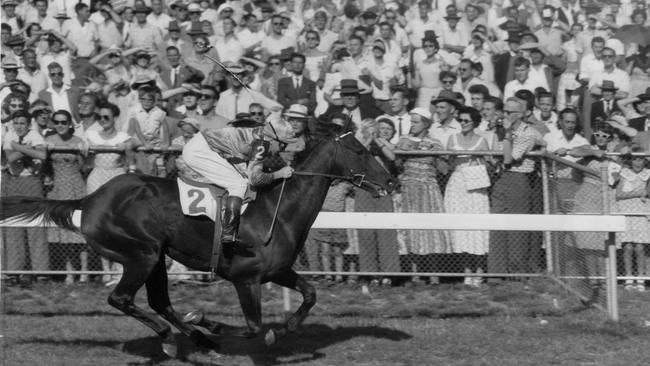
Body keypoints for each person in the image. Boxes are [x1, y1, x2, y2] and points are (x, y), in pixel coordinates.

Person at [181, 104, 295, 251]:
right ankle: (228, 233)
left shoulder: (260, 134)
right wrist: (279, 174)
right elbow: (256, 179)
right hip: (199, 151)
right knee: (239, 185)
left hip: (202, 146)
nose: (283, 150)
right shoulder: (262, 144)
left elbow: (240, 160)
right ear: (275, 140)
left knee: (242, 181)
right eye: (283, 145)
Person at [488, 97, 542, 278]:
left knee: (517, 227)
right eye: (504, 111)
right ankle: (496, 273)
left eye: (510, 113)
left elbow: (510, 158)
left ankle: (517, 273)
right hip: (501, 178)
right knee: (496, 224)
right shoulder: (501, 130)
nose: (506, 115)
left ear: (520, 115)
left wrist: (507, 134)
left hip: (519, 179)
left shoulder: (527, 133)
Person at [395, 107, 449, 284]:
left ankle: (434, 275)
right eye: (411, 121)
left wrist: (434, 153)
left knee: (430, 230)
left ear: (426, 124)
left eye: (416, 121)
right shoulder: (403, 140)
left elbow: (444, 169)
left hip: (428, 189)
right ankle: (415, 273)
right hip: (409, 189)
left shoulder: (434, 142)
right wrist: (401, 152)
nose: (413, 125)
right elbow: (396, 166)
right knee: (410, 231)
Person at [85, 102, 134, 285]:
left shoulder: (123, 136)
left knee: (118, 225)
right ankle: (105, 270)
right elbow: (86, 158)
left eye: (107, 117)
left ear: (114, 118)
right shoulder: (90, 134)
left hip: (116, 177)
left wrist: (128, 147)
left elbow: (131, 157)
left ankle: (119, 269)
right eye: (100, 117)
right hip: (97, 177)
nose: (103, 121)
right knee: (99, 225)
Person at [443, 106, 490, 287]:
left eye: (466, 121)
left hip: (476, 186)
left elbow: (488, 164)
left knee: (477, 227)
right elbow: (447, 165)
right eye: (460, 120)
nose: (462, 124)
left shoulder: (481, 141)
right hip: (457, 185)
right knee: (460, 229)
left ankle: (479, 273)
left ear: (474, 122)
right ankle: (466, 272)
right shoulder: (452, 138)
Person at [2, 109, 49, 285]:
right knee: (14, 227)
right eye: (16, 123)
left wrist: (19, 147)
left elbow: (42, 155)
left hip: (32, 181)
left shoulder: (35, 135)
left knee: (35, 227)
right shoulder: (9, 135)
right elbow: (10, 159)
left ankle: (41, 272)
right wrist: (29, 150)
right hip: (14, 182)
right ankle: (14, 272)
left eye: (23, 123)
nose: (19, 126)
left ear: (28, 124)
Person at [355, 117, 400, 286]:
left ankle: (389, 274)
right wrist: (368, 139)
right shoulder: (362, 143)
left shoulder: (386, 144)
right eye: (382, 128)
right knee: (366, 231)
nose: (385, 131)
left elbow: (392, 156)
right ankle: (371, 273)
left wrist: (378, 140)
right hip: (364, 189)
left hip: (383, 190)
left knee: (386, 232)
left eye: (389, 128)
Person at [44, 110, 87, 284]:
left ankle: (85, 271)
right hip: (57, 188)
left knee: (78, 229)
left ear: (70, 123)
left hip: (76, 185)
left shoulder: (78, 141)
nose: (60, 125)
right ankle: (70, 272)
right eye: (57, 122)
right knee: (62, 231)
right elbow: (44, 165)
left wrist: (81, 152)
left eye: (64, 122)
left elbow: (84, 167)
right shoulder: (48, 141)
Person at [616, 150, 650, 291]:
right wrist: (636, 193)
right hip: (626, 212)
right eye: (635, 159)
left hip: (641, 212)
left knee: (640, 247)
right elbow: (618, 194)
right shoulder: (624, 173)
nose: (638, 162)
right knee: (628, 246)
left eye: (640, 159)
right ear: (630, 161)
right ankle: (629, 277)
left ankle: (641, 278)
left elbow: (647, 193)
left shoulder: (647, 174)